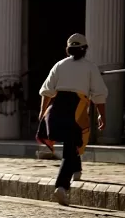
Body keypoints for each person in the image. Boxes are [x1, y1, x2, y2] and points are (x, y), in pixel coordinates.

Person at [37, 33, 108, 206]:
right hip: (77, 110)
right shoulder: (90, 67)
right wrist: (102, 115)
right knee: (71, 147)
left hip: (57, 109)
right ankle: (61, 186)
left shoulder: (59, 65)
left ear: (68, 49)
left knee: (72, 142)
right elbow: (99, 95)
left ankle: (77, 170)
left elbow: (46, 91)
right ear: (85, 49)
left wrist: (42, 112)